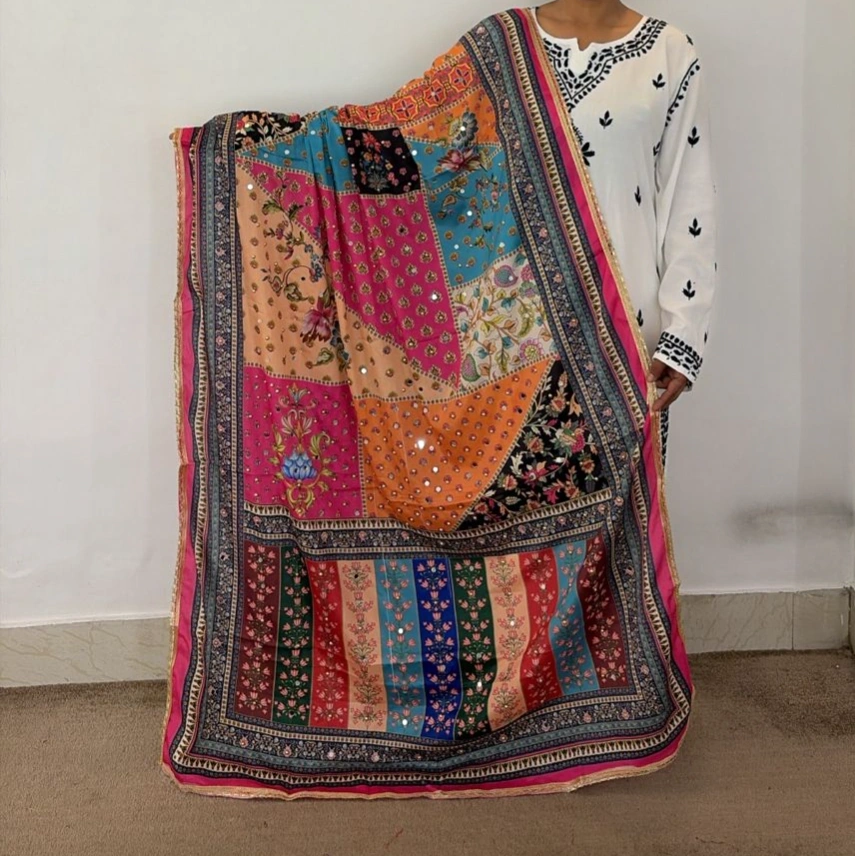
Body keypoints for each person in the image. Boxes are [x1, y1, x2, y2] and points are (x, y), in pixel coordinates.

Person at [534, 0, 716, 423]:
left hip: (628, 336)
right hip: (516, 337)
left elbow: (689, 199)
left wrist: (683, 334)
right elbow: (438, 156)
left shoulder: (669, 51)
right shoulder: (500, 44)